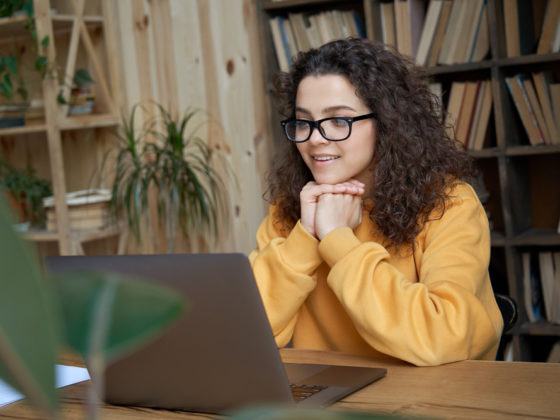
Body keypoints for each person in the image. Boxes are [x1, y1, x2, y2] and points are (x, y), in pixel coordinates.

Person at [249, 38, 503, 366]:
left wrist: (338, 240)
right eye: (303, 122)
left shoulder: (450, 205)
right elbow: (246, 335)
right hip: (326, 405)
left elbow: (443, 337)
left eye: (338, 120)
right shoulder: (289, 213)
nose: (314, 138)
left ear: (386, 123)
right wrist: (305, 236)